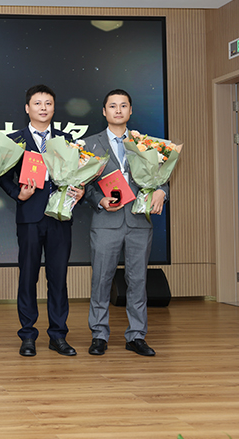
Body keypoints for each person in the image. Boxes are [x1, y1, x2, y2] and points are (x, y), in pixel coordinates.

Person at [0, 84, 83, 357]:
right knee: (28, 277)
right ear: (27, 108)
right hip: (30, 218)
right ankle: (27, 335)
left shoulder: (66, 139)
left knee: (58, 278)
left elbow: (78, 174)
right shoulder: (15, 140)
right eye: (37, 103)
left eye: (48, 103)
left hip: (60, 217)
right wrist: (18, 194)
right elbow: (2, 176)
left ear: (54, 108)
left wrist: (80, 190)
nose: (43, 108)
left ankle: (58, 335)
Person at [83, 89, 168, 357]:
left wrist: (162, 191)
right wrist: (99, 200)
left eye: (123, 106)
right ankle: (99, 334)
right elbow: (83, 185)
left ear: (130, 110)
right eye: (112, 106)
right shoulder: (89, 144)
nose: (118, 110)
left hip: (139, 221)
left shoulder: (145, 144)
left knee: (138, 279)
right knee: (101, 279)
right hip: (105, 221)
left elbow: (162, 176)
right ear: (104, 111)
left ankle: (136, 335)